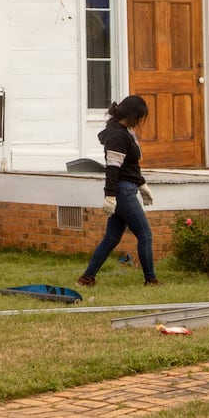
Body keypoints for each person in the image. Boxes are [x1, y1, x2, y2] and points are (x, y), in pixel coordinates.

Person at [78, 95, 159, 286]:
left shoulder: (125, 131)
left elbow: (129, 166)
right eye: (140, 117)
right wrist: (110, 196)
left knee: (112, 238)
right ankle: (151, 280)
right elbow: (113, 169)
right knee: (145, 234)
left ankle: (87, 278)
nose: (141, 121)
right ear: (133, 115)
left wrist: (141, 184)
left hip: (126, 188)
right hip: (122, 192)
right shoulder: (117, 135)